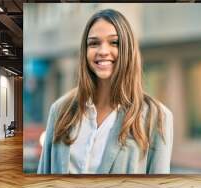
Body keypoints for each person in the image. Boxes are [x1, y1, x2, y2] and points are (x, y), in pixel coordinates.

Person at [37, 9, 173, 174]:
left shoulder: (156, 117)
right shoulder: (60, 110)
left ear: (128, 49)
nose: (102, 51)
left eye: (114, 42)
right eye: (94, 43)